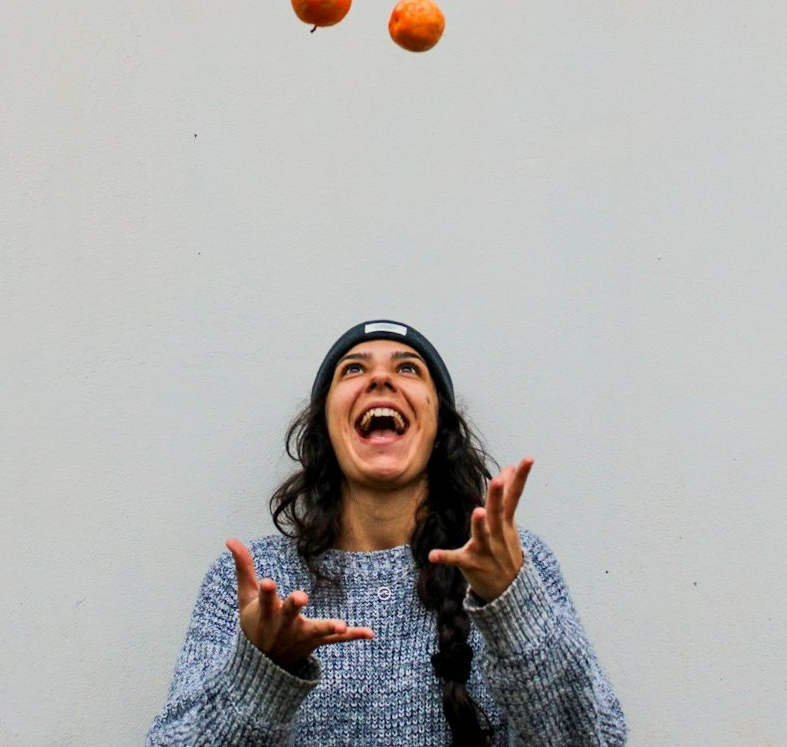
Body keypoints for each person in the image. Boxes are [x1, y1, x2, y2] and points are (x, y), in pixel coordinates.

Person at [145, 320, 627, 746]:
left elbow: (594, 740)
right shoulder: (257, 584)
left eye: (408, 369)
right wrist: (260, 673)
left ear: (439, 426)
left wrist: (513, 607)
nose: (380, 378)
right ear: (324, 429)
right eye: (353, 369)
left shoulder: (507, 564)